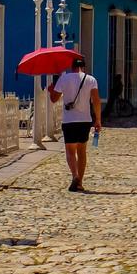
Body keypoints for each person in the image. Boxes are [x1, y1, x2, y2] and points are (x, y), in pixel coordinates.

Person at [49, 56, 101, 192]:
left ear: (72, 67)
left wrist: (51, 89)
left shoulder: (64, 79)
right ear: (83, 67)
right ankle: (80, 182)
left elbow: (54, 99)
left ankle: (75, 176)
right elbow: (96, 100)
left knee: (70, 151)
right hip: (85, 120)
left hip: (69, 121)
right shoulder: (91, 80)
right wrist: (98, 120)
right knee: (82, 151)